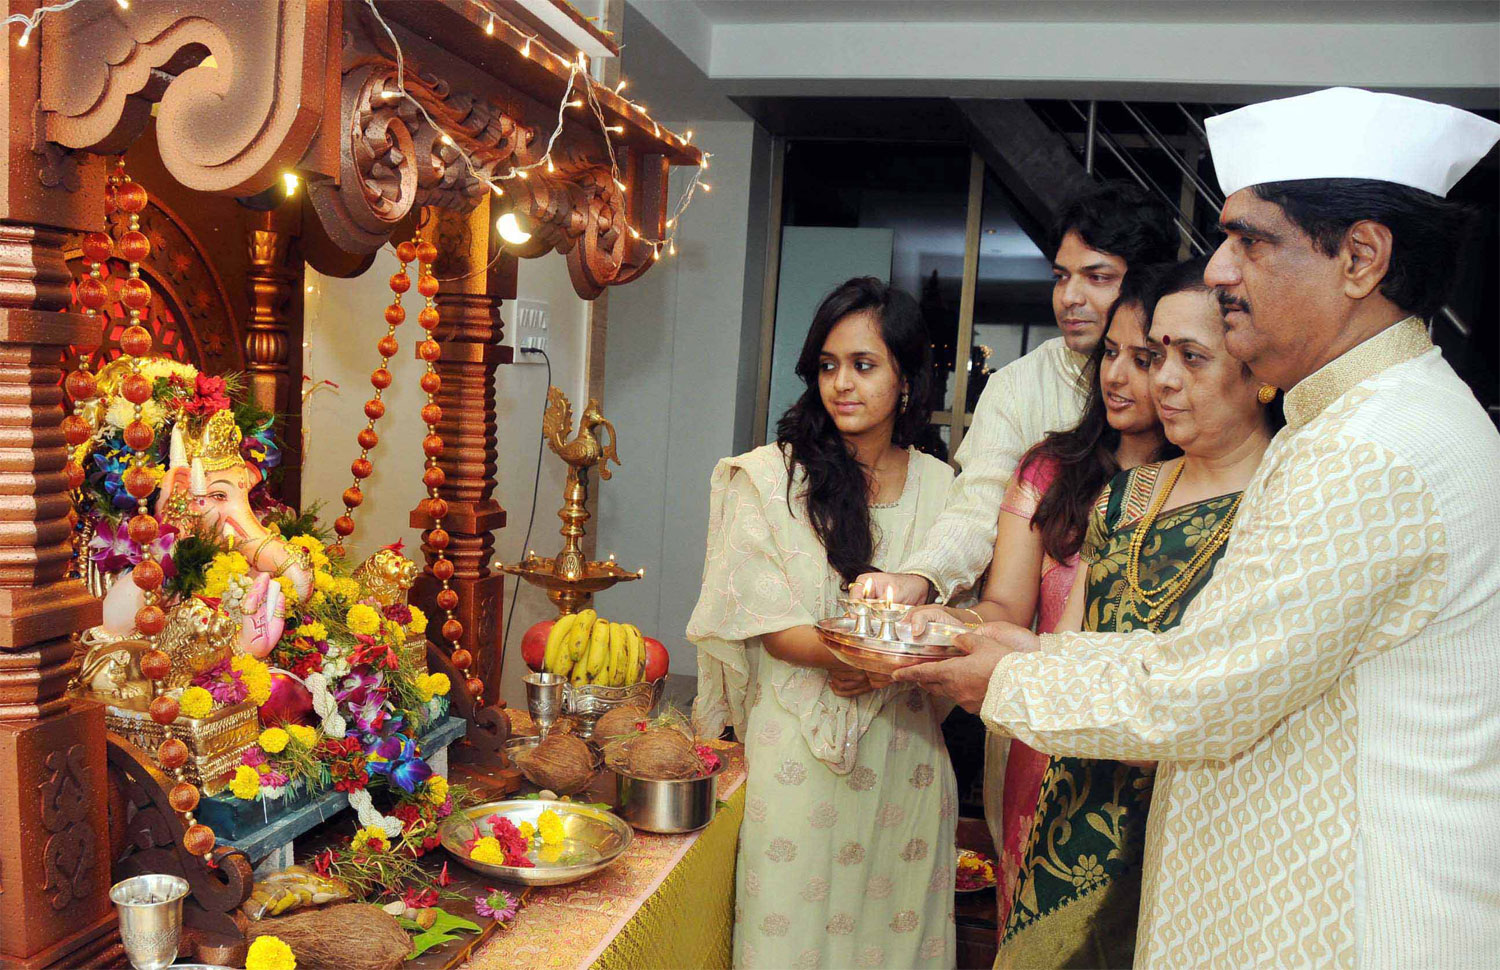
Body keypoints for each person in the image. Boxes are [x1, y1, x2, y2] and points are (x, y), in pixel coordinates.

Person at [894, 87, 1500, 968]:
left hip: (1346, 920)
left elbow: (1201, 694)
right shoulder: (1356, 418)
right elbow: (1205, 658)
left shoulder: (1377, 444)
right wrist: (1017, 651)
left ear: (1362, 257)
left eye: (1249, 241)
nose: (1215, 271)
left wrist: (998, 679)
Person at [999, 258, 1282, 968]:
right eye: (1158, 357)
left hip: (1199, 821)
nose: (1162, 380)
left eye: (1192, 358)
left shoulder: (1284, 506)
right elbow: (1067, 651)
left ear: (1258, 368)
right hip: (1077, 814)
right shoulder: (1126, 495)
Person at [688, 277, 958, 970]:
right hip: (796, 758)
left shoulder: (944, 490)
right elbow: (770, 624)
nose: (842, 383)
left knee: (894, 944)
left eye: (864, 365)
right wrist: (857, 658)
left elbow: (962, 617)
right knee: (788, 940)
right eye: (828, 365)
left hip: (906, 758)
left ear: (906, 379)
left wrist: (884, 663)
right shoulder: (766, 479)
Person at [907, 270, 1175, 933]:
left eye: (1141, 360)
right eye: (1108, 353)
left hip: (1157, 746)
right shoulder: (1051, 471)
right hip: (1043, 737)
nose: (1116, 375)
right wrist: (951, 622)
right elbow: (1005, 604)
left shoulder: (1205, 485)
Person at [857, 184, 1178, 607]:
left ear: (1147, 283)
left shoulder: (1188, 382)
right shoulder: (1018, 386)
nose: (1069, 298)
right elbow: (978, 503)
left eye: (1097, 277)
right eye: (1061, 277)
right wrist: (925, 576)